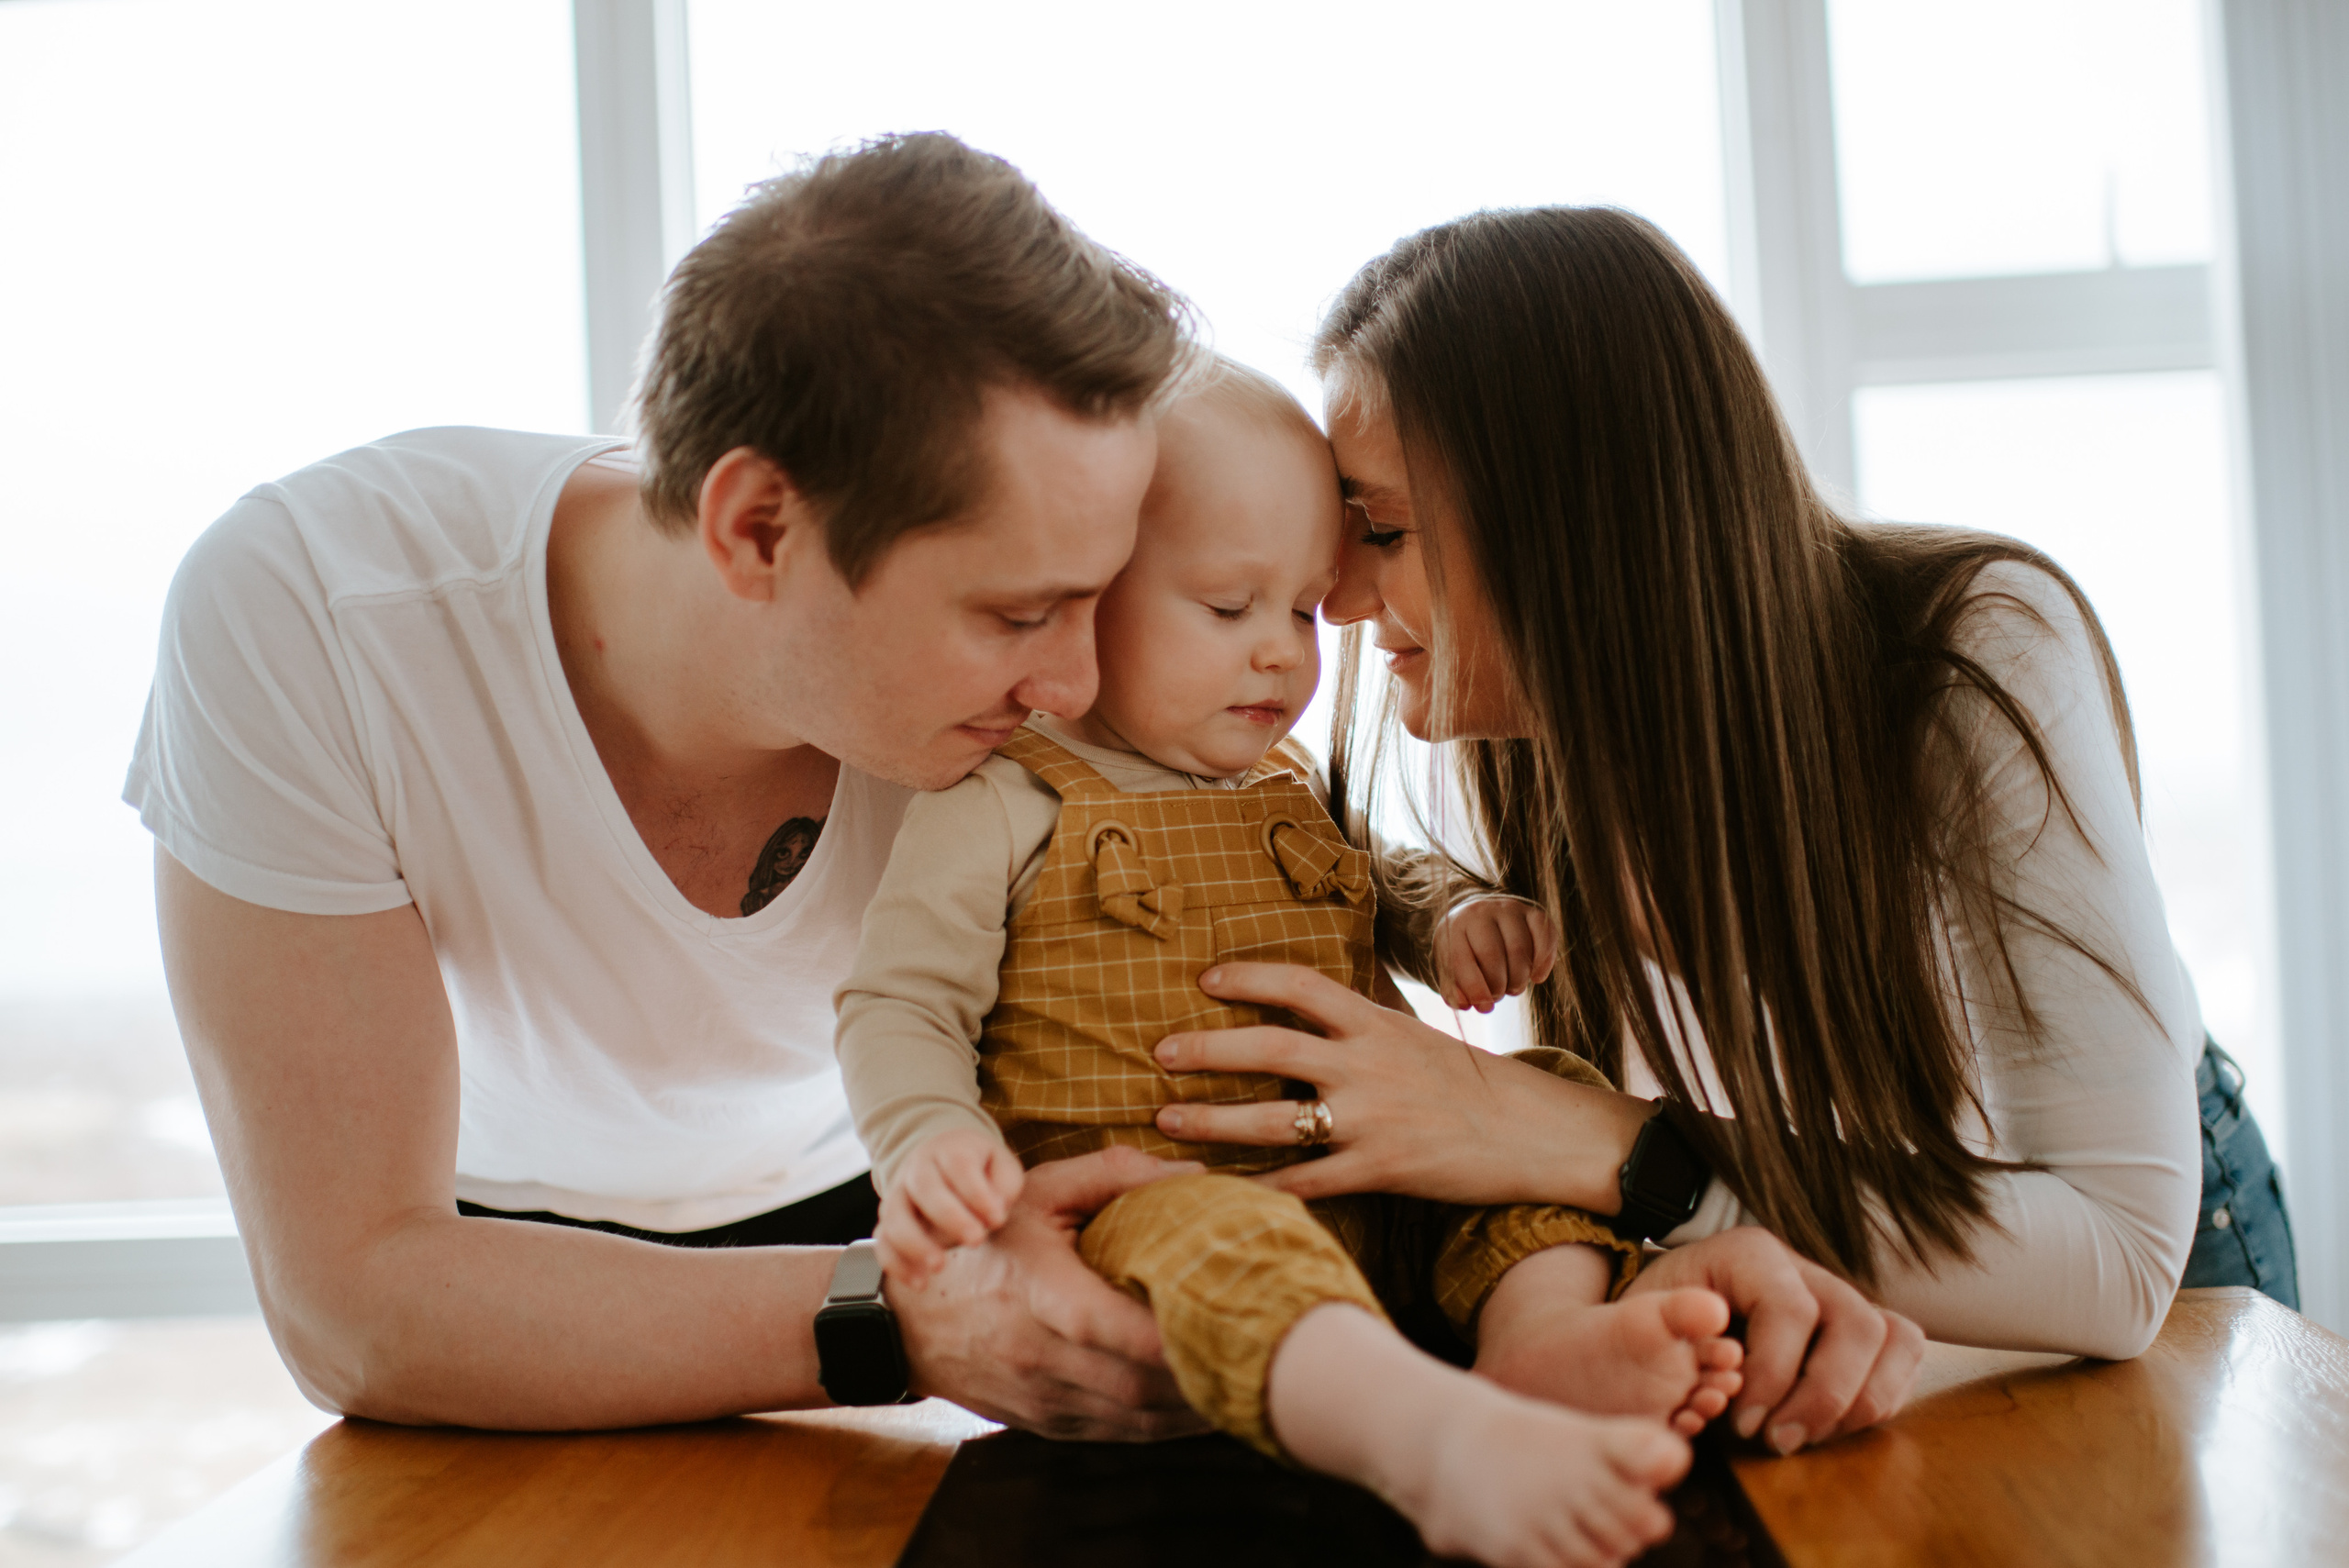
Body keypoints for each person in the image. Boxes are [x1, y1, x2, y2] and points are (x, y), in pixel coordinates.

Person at [1150, 203, 2297, 1461]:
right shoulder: (1514, 735)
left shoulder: (1976, 654)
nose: (1341, 596)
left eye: (1382, 528)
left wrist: (1590, 1141)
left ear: (1574, 521)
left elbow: (2119, 1263)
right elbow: (1655, 1192)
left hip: (2159, 1282)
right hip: (1861, 1258)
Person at [126, 133, 1212, 1433]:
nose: (1083, 688)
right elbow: (354, 1305)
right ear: (756, 526)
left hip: (908, 1193)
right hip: (490, 1253)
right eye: (1020, 612)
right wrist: (896, 1316)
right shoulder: (313, 608)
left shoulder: (1033, 680)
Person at [835, 361, 1740, 1567]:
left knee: (1554, 1089)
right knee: (1226, 1241)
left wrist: (1452, 912)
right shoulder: (1004, 797)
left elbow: (1379, 879)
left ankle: (1539, 1343)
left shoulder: (1284, 781)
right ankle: (1430, 1441)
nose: (1281, 656)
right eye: (1228, 609)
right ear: (1085, 593)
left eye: (1306, 611)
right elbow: (900, 1001)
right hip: (1159, 1208)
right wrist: (929, 1141)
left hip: (1371, 1175)